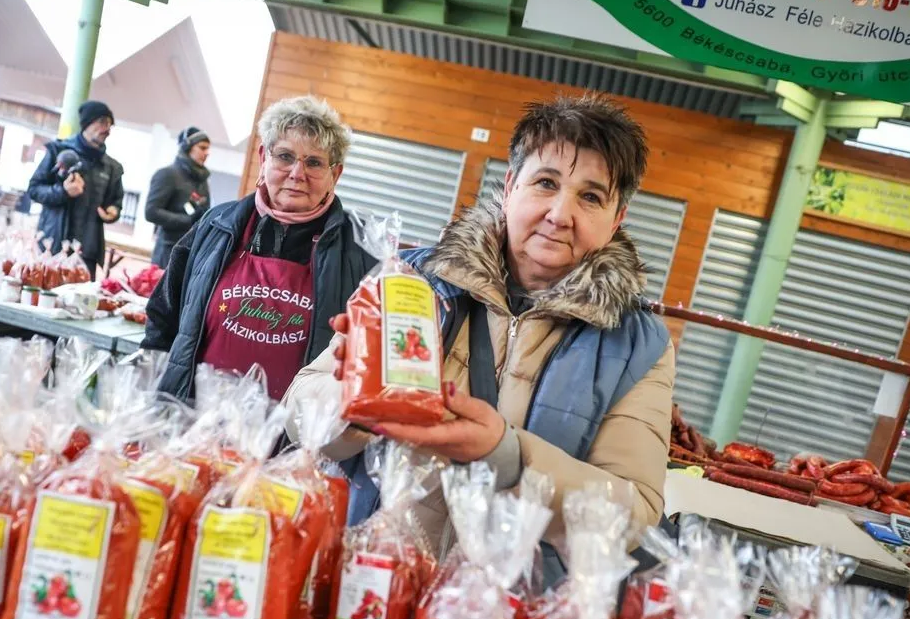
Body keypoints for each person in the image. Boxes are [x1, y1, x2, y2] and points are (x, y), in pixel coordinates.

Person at [285, 94, 675, 564]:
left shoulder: (637, 344)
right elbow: (300, 408)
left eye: (590, 197)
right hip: (373, 573)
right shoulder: (409, 281)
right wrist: (353, 405)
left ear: (617, 220)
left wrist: (508, 457)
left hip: (504, 611)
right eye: (546, 183)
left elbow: (634, 515)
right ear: (510, 186)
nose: (560, 214)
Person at [144, 96, 373, 401]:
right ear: (264, 157)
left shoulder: (361, 250)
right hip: (193, 424)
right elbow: (164, 314)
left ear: (336, 173)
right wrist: (150, 394)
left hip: (295, 438)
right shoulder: (216, 225)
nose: (297, 174)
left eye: (314, 162)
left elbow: (370, 356)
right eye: (285, 156)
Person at [26, 100, 125, 278]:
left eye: (110, 124)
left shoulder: (112, 167)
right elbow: (34, 189)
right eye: (102, 122)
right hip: (53, 247)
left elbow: (115, 202)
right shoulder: (58, 151)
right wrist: (62, 192)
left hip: (87, 253)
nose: (107, 129)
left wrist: (113, 211)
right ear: (87, 123)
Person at [145, 126, 212, 267]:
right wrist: (188, 221)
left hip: (191, 253)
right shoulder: (167, 174)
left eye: (208, 149)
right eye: (202, 148)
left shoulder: (203, 180)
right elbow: (151, 212)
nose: (207, 153)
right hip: (167, 253)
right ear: (187, 147)